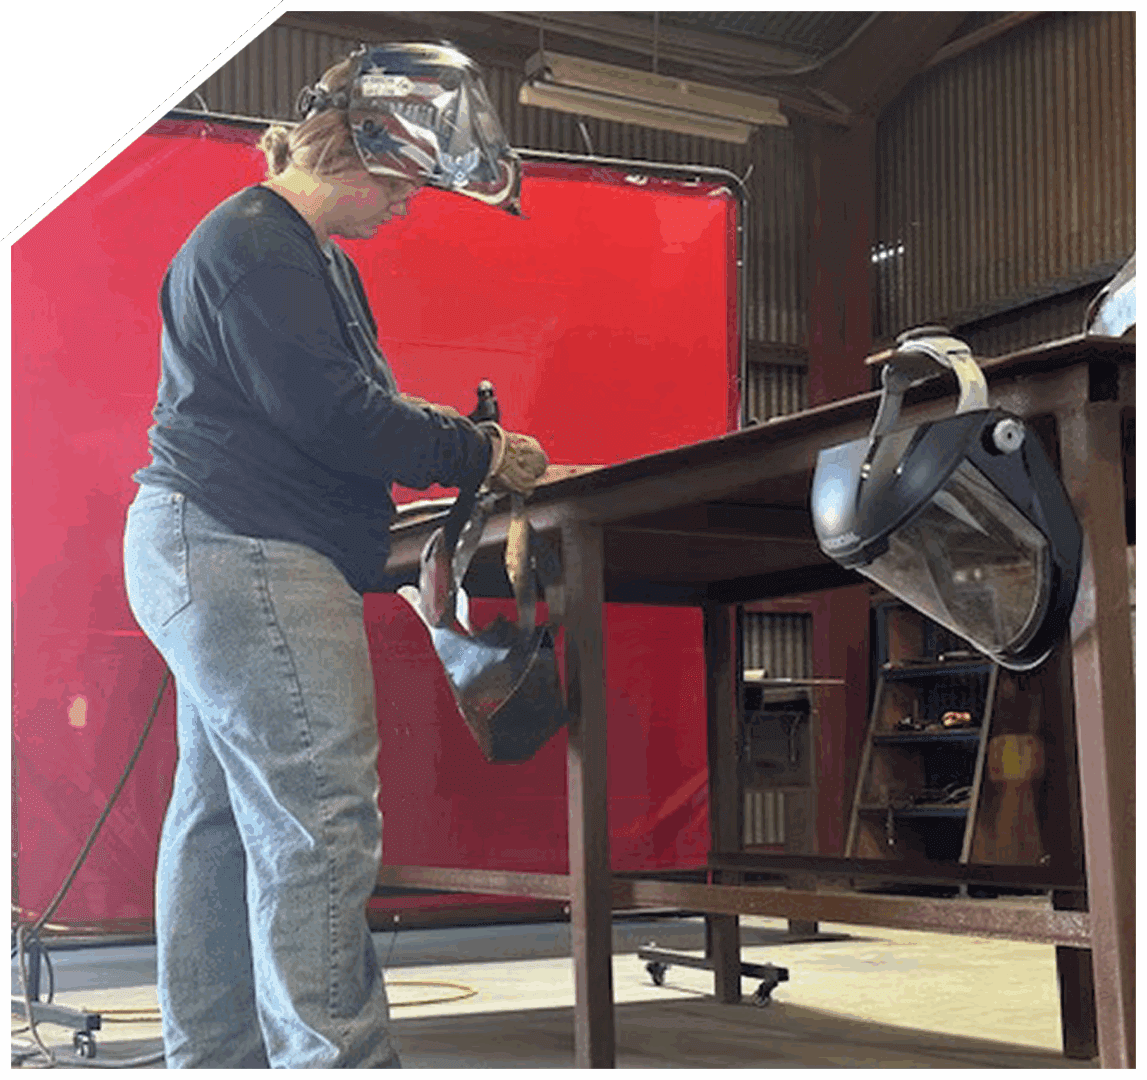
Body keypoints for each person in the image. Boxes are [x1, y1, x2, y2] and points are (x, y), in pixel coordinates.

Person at [122, 43, 547, 1068]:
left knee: (222, 823)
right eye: (406, 184)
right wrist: (480, 448)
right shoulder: (262, 244)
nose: (408, 206)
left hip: (214, 547)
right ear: (364, 153)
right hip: (247, 551)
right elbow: (336, 416)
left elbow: (328, 419)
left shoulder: (302, 254)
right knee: (320, 823)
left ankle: (214, 1057)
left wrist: (416, 516)